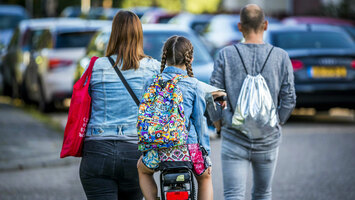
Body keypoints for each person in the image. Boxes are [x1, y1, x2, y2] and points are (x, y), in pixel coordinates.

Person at [209, 4, 296, 200]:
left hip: (233, 137)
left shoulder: (225, 55)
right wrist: (276, 121)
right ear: (265, 25)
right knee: (263, 194)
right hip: (268, 138)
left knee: (233, 194)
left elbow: (215, 95)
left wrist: (219, 122)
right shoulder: (281, 57)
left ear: (240, 26)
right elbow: (289, 98)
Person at [79, 11, 161, 200]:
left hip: (97, 152)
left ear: (113, 34)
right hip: (134, 154)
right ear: (139, 35)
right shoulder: (153, 68)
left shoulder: (95, 67)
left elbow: (82, 105)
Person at [137, 36, 213, 200]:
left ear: (164, 56)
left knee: (142, 170)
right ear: (190, 59)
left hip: (159, 150)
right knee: (205, 177)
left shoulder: (151, 82)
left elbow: (145, 114)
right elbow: (200, 122)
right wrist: (206, 153)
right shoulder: (194, 85)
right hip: (188, 149)